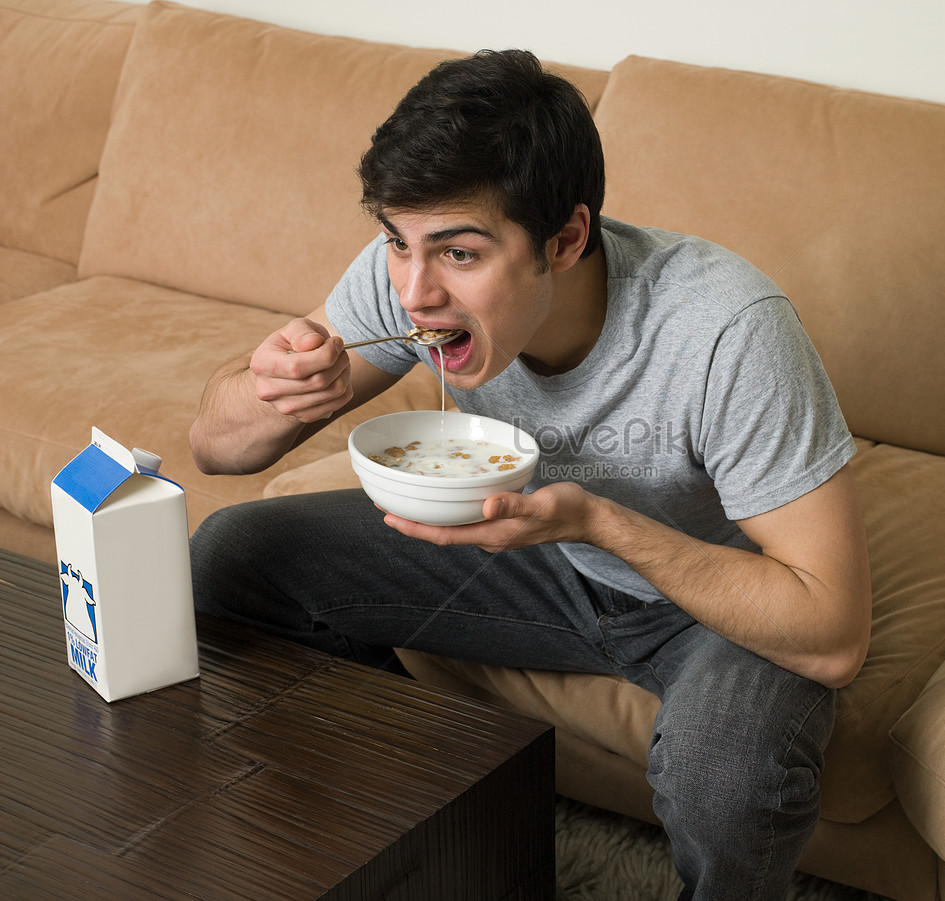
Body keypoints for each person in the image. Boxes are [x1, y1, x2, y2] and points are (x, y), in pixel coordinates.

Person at [188, 48, 872, 901]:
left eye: (460, 254)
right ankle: (455, 808)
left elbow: (835, 631)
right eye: (397, 243)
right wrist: (270, 391)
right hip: (537, 553)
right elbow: (217, 449)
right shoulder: (409, 279)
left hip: (712, 598)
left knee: (727, 774)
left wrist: (596, 521)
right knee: (232, 553)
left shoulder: (727, 328)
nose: (413, 291)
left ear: (567, 238)